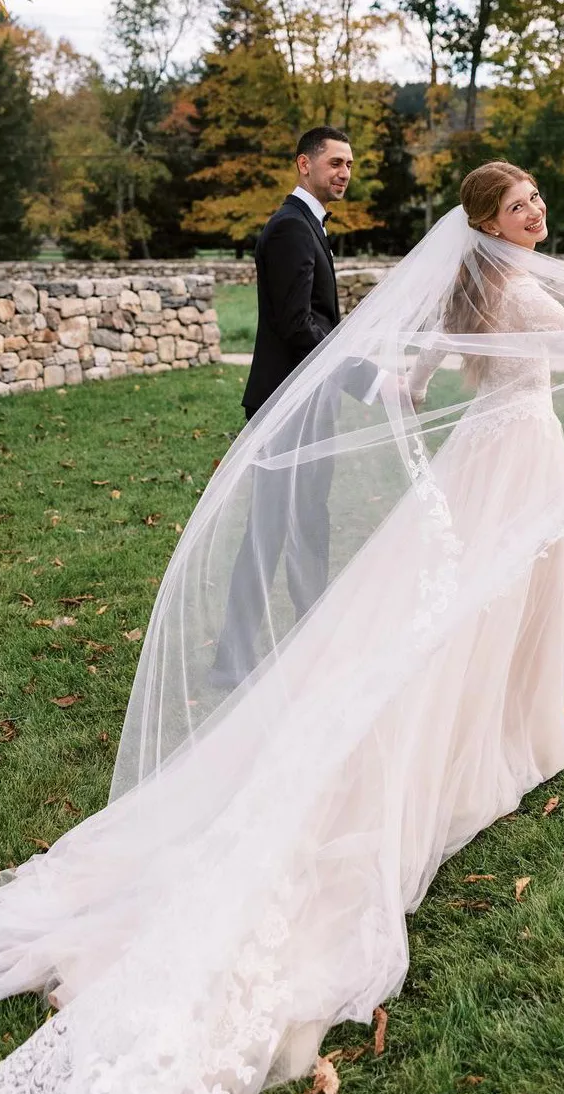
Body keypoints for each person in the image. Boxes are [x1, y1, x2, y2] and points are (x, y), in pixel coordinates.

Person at [0, 161, 564, 1094]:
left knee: (481, 611)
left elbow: (425, 373)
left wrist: (411, 390)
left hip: (485, 459)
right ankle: (503, 749)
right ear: (489, 221)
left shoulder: (474, 281)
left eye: (537, 198)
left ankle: (511, 740)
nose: (536, 210)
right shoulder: (513, 284)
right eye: (519, 203)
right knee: (497, 610)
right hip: (509, 461)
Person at [214, 125, 380, 687]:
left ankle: (268, 652)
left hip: (303, 406)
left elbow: (311, 320)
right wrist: (369, 379)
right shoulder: (291, 228)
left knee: (300, 525)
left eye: (350, 164)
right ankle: (257, 655)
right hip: (287, 409)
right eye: (334, 162)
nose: (344, 172)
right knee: (285, 530)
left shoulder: (307, 226)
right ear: (302, 166)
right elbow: (298, 326)